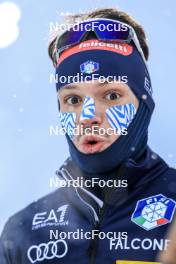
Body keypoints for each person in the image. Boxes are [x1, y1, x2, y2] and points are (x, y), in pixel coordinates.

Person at [0, 7, 176, 264]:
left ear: (144, 102)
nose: (88, 116)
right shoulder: (24, 232)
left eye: (111, 95)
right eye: (73, 99)